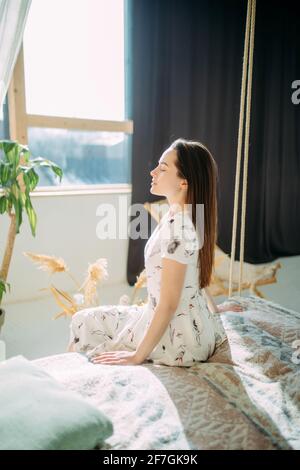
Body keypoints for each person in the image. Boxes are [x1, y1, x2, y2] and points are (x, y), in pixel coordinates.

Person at [68, 138, 243, 367]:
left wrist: (136, 356)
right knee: (87, 320)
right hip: (189, 326)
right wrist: (214, 309)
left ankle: (65, 386)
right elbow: (194, 274)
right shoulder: (186, 215)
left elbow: (169, 303)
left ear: (184, 183)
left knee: (83, 321)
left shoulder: (179, 228)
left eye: (162, 168)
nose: (152, 172)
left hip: (179, 340)